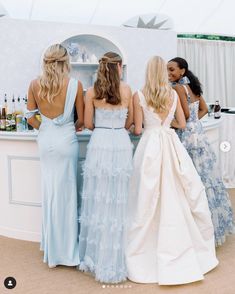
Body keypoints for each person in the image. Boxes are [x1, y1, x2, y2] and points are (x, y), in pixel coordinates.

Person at [125, 56, 218, 285]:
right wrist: (165, 126)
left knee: (147, 196)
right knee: (178, 192)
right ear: (163, 73)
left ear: (148, 72)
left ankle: (148, 248)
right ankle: (183, 246)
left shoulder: (140, 95)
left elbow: (137, 129)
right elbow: (183, 124)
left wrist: (151, 125)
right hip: (170, 142)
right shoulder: (173, 94)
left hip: (150, 144)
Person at [27, 44, 84, 267]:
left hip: (46, 139)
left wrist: (45, 126)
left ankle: (51, 248)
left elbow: (31, 117)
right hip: (66, 140)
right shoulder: (75, 85)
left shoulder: (34, 84)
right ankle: (67, 251)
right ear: (65, 61)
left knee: (50, 191)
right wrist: (69, 125)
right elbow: (80, 119)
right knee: (67, 194)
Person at [78, 52, 133, 283]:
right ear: (119, 67)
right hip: (120, 141)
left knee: (99, 199)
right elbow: (130, 122)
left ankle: (96, 257)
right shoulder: (127, 90)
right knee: (119, 196)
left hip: (100, 142)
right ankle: (118, 253)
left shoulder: (91, 92)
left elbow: (88, 123)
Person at [167, 57, 235, 246]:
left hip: (186, 137)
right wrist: (193, 123)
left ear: (182, 70)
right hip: (199, 135)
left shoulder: (178, 88)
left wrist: (170, 123)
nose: (169, 73)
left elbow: (185, 115)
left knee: (190, 180)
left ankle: (196, 230)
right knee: (206, 178)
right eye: (167, 70)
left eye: (172, 69)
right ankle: (213, 226)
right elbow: (203, 109)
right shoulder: (192, 86)